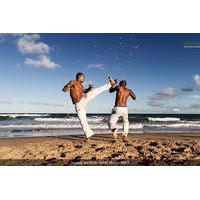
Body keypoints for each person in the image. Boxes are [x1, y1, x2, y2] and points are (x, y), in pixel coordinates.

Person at [62, 72, 117, 139]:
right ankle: (88, 136)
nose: (84, 79)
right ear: (79, 77)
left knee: (95, 91)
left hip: (83, 99)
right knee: (83, 121)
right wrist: (66, 88)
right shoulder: (73, 82)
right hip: (78, 104)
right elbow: (65, 88)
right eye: (83, 77)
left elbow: (84, 91)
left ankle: (110, 84)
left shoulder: (81, 85)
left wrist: (89, 88)